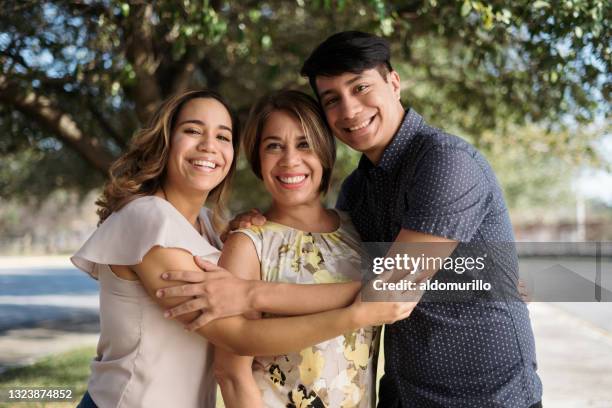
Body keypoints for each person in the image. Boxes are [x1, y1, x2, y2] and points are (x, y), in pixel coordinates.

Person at [162, 32, 543, 408]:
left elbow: (390, 287)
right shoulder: (356, 193)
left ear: (394, 83)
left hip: (488, 397)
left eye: (360, 88)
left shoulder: (445, 163)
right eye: (332, 99)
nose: (349, 110)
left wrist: (248, 291)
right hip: (403, 395)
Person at [72, 89, 410, 408]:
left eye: (222, 136)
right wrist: (367, 300)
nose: (209, 146)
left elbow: (461, 274)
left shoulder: (205, 225)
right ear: (165, 140)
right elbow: (237, 336)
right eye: (193, 131)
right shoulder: (148, 218)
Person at [215, 90, 378, 407]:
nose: (290, 159)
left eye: (304, 144)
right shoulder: (248, 244)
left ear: (325, 153)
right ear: (258, 160)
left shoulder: (359, 231)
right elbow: (231, 374)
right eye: (273, 146)